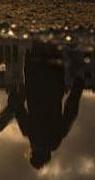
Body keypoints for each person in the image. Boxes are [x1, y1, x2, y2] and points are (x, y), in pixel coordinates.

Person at [13, 42, 83, 170]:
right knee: (38, 39)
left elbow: (71, 110)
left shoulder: (56, 137)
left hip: (54, 81)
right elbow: (17, 107)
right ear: (33, 153)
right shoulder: (28, 131)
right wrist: (18, 92)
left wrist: (77, 88)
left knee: (53, 42)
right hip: (34, 77)